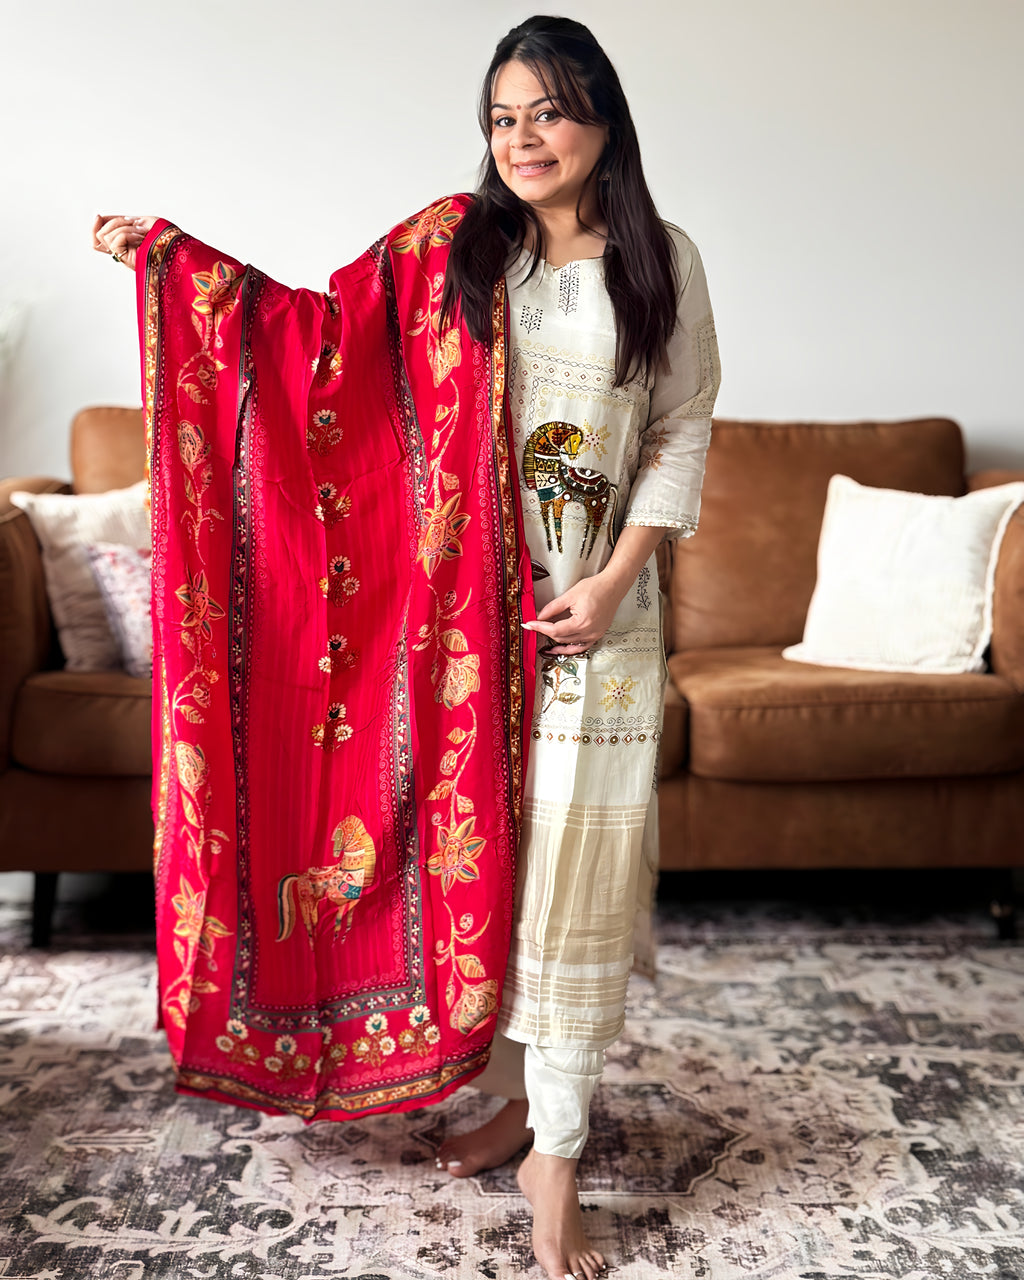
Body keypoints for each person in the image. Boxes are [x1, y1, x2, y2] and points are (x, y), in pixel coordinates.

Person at [93, 17, 719, 1280]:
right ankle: (505, 1099)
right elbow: (308, 335)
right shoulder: (458, 250)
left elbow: (681, 427)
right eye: (501, 117)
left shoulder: (661, 260)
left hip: (598, 628)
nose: (521, 138)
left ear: (602, 118)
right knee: (485, 875)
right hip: (464, 641)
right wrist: (171, 266)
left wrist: (607, 584)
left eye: (546, 111)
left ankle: (558, 1146)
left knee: (576, 891)